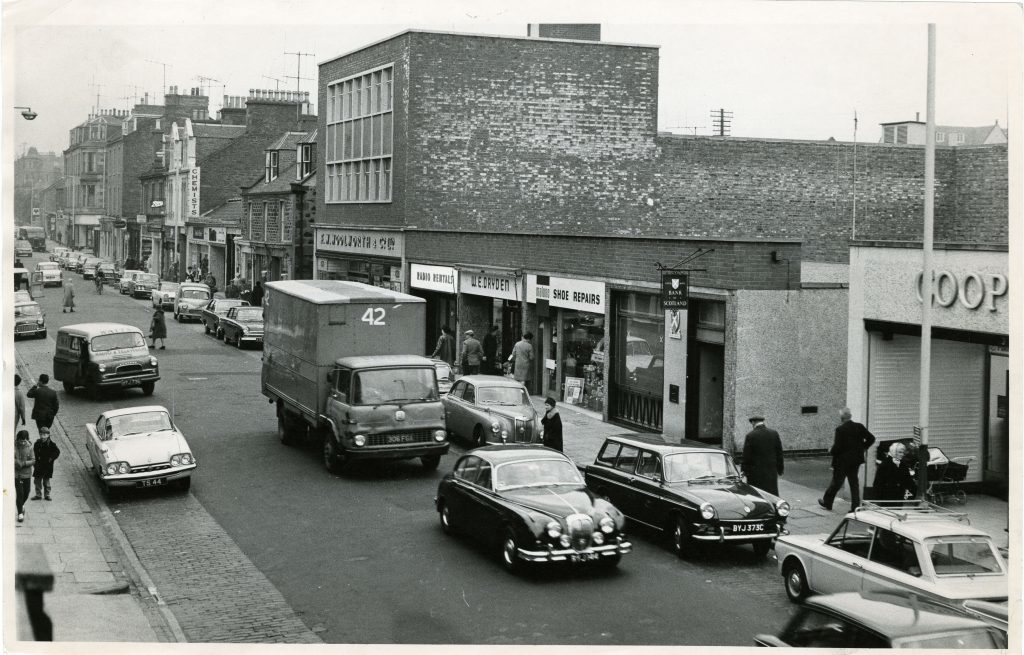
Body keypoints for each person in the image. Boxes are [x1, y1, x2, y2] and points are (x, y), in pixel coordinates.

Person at [818, 407, 876, 511]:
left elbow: (838, 447)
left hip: (842, 462)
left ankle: (827, 502)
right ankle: (855, 506)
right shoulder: (859, 426)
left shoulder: (840, 430)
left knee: (836, 483)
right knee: (854, 483)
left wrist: (831, 450)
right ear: (850, 416)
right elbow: (871, 438)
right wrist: (862, 448)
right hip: (855, 461)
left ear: (841, 418)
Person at [741, 413, 784, 496]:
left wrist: (744, 471)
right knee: (771, 494)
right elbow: (779, 452)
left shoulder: (750, 435)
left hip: (755, 473)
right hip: (770, 471)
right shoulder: (774, 433)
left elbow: (746, 456)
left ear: (753, 423)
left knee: (757, 494)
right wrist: (780, 469)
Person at [32, 427, 60, 501]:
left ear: (48, 435)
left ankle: (47, 495)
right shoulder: (37, 443)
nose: (42, 436)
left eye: (44, 435)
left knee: (46, 481)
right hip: (38, 465)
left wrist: (51, 458)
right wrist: (35, 460)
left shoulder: (51, 444)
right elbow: (34, 453)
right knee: (37, 481)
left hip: (47, 466)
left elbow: (57, 452)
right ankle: (38, 495)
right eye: (41, 434)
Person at [15, 430, 35, 522]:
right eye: (21, 440)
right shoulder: (14, 447)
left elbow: (33, 460)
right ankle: (20, 513)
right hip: (17, 474)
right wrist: (16, 462)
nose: (23, 442)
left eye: (24, 440)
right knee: (20, 493)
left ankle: (21, 505)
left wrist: (24, 463)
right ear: (18, 439)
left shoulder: (30, 447)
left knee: (27, 492)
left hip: (26, 474)